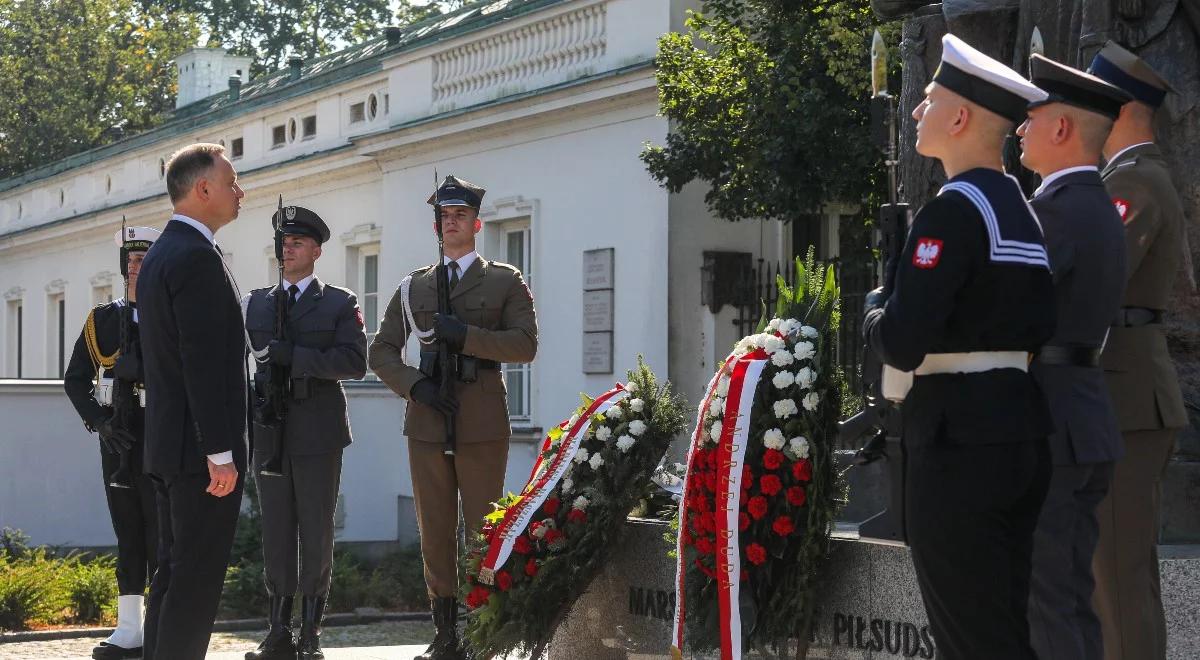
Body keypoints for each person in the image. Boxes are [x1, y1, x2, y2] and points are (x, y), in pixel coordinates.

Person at [862, 34, 1056, 660]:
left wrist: (873, 313)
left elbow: (902, 340)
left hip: (959, 445)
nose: (917, 112)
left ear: (962, 117)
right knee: (1001, 632)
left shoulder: (952, 211)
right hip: (1016, 430)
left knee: (970, 642)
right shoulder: (1024, 210)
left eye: (929, 99)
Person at [369, 176, 538, 660]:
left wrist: (464, 334)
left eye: (460, 214)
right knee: (435, 527)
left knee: (482, 528)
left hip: (482, 418)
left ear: (477, 223)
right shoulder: (415, 286)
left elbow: (525, 345)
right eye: (444, 216)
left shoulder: (504, 279)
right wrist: (414, 385)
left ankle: (480, 628)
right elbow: (381, 351)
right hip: (427, 417)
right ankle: (444, 633)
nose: (451, 222)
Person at [1016, 53, 1132, 660]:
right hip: (1082, 419)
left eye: (1030, 117)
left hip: (1053, 424)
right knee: (1069, 597)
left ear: (1061, 128)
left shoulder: (1056, 213)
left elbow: (1011, 310)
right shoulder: (1098, 207)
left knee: (1048, 603)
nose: (1019, 128)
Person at [1086, 40, 1188, 660]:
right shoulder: (1121, 179)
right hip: (1119, 394)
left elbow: (1100, 275)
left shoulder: (1137, 181)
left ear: (1119, 108)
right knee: (1111, 579)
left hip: (1128, 400)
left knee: (1118, 581)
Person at [136, 142, 248, 660]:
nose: (238, 191)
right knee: (195, 581)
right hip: (199, 454)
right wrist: (219, 450)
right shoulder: (195, 257)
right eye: (230, 181)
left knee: (173, 574)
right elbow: (199, 362)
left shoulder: (163, 251)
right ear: (203, 189)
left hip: (169, 444)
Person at [243, 206, 367, 660]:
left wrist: (294, 356)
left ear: (316, 250)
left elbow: (354, 362)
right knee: (275, 531)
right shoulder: (257, 303)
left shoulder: (338, 302)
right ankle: (277, 630)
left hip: (318, 431)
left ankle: (310, 632)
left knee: (315, 531)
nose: (287, 248)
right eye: (283, 242)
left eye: (296, 242)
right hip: (270, 430)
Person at [64, 226, 162, 660]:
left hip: (162, 434)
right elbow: (75, 380)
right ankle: (128, 630)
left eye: (144, 261)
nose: (136, 268)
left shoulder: (169, 317)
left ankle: (163, 626)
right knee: (128, 534)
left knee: (162, 533)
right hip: (119, 437)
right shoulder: (102, 319)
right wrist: (101, 424)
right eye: (131, 261)